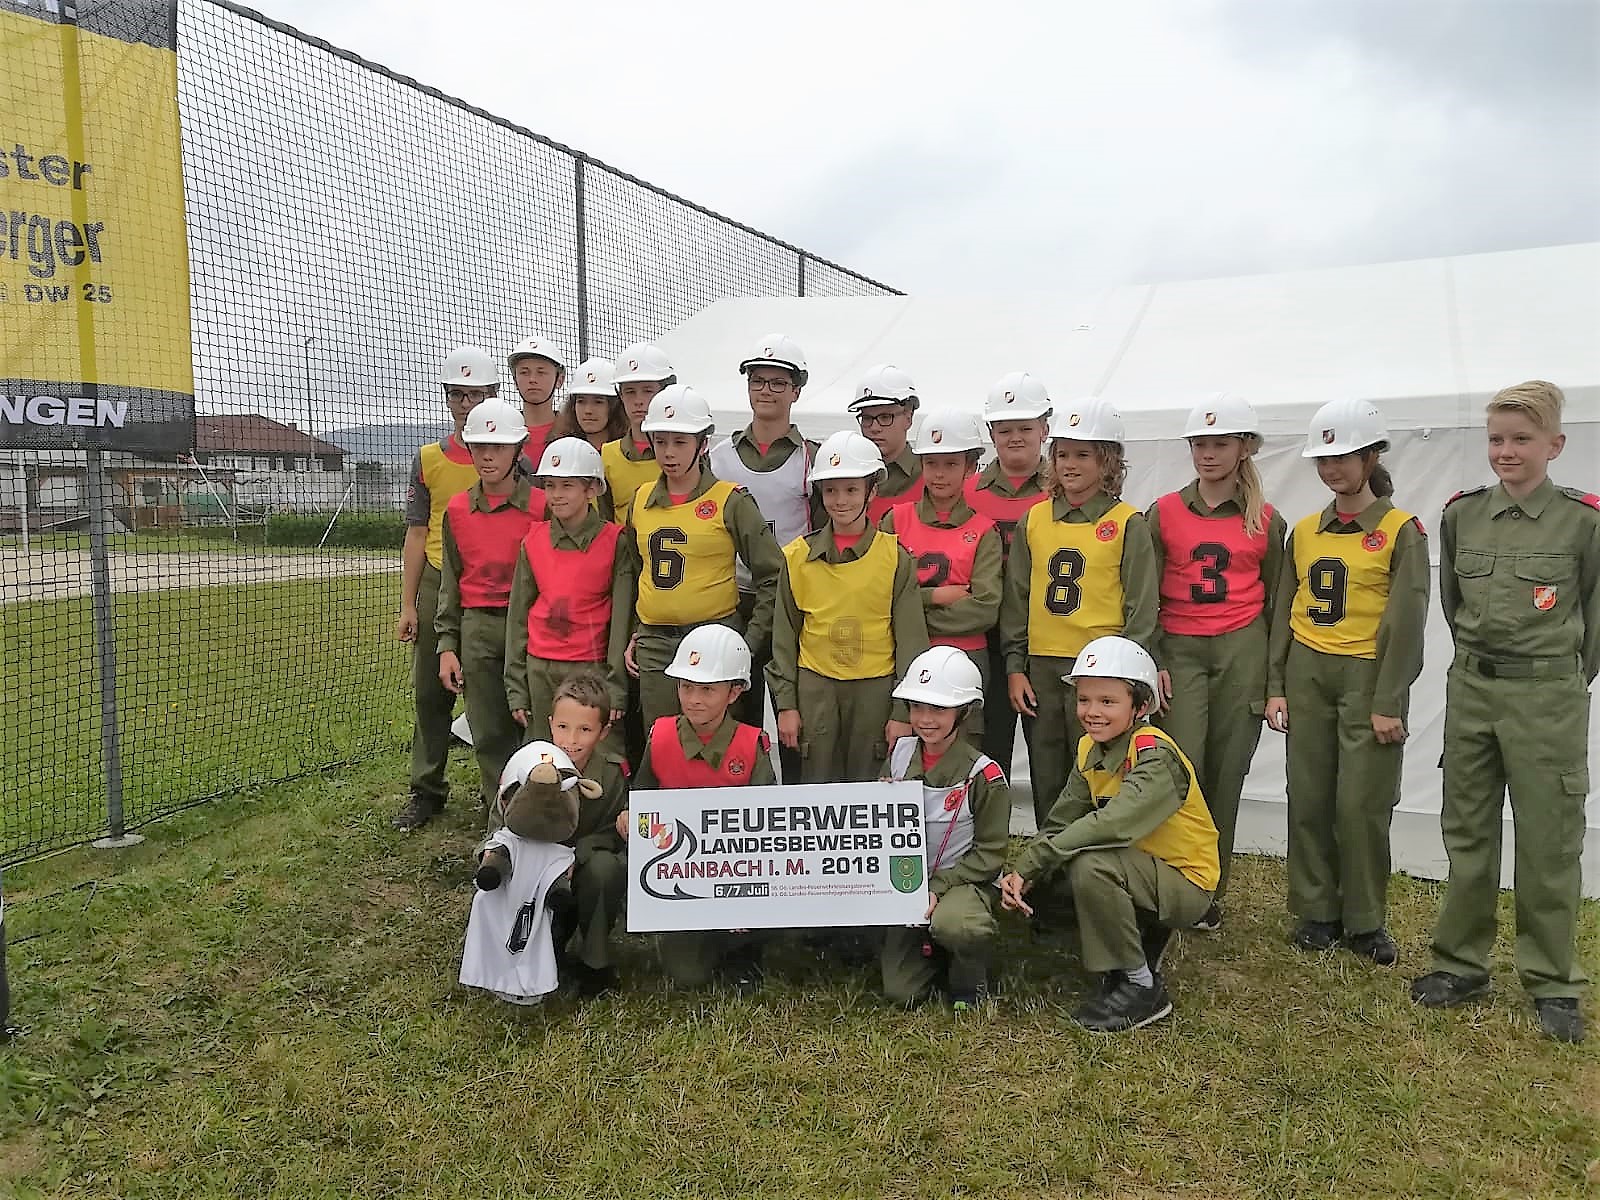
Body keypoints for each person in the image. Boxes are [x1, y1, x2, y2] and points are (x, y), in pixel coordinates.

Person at [1411, 380, 1600, 1044]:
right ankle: (1460, 963)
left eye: (1522, 439)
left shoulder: (1584, 521)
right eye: (1497, 439)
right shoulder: (1462, 515)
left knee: (1550, 841)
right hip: (1474, 691)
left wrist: (1557, 680)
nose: (1507, 451)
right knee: (1468, 833)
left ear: (1555, 444)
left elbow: (1594, 624)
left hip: (1547, 698)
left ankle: (1552, 980)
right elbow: (1454, 607)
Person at [1265, 398, 1428, 967]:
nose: (1332, 468)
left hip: (1366, 674)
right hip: (1309, 668)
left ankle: (1364, 919)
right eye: (1323, 458)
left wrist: (1389, 698)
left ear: (1370, 456)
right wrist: (1276, 684)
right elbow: (1287, 607)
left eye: (1343, 456)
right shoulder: (1306, 531)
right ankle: (1317, 910)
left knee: (1361, 803)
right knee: (1308, 795)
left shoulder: (1400, 529)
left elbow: (1407, 621)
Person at [1000, 637, 1219, 1033]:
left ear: (1139, 707)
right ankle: (1133, 937)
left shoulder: (1154, 756)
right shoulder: (1090, 748)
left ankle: (1142, 987)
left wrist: (1038, 859)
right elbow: (1061, 821)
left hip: (1187, 883)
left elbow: (1109, 824)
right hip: (1140, 866)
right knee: (1057, 870)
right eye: (1084, 700)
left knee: (1090, 864)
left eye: (1107, 702)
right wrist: (1025, 871)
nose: (1092, 712)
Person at [1147, 394, 1286, 931]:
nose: (1208, 453)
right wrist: (1152, 657)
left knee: (1227, 773)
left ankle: (1209, 890)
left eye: (1220, 443)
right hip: (1180, 647)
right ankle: (1169, 879)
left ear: (1244, 448)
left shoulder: (1266, 520)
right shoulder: (1162, 512)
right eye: (1199, 444)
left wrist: (1275, 682)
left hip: (1240, 648)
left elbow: (1277, 605)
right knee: (1181, 771)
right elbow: (1145, 594)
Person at [1000, 396, 1158, 826]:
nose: (1070, 464)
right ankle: (1046, 875)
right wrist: (1016, 665)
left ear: (1107, 461)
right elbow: (1017, 600)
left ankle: (1091, 871)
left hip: (1099, 670)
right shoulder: (1034, 519)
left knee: (1098, 774)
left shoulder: (1128, 522)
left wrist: (1124, 674)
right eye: (1063, 453)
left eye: (1083, 455)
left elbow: (1141, 609)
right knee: (1047, 773)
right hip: (1043, 666)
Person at [769, 431, 930, 783]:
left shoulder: (895, 557)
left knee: (871, 784)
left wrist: (903, 711)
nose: (840, 500)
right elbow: (783, 639)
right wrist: (787, 706)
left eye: (852, 489)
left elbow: (911, 642)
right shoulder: (797, 557)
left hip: (875, 690)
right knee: (815, 784)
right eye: (831, 490)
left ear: (872, 491)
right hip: (816, 689)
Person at [623, 624, 777, 989]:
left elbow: (770, 820)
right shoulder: (659, 736)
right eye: (686, 687)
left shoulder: (751, 744)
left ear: (735, 691)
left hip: (738, 871)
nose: (693, 699)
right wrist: (631, 817)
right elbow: (643, 794)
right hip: (680, 872)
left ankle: (745, 946)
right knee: (688, 976)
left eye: (707, 689)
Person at [624, 385, 782, 731]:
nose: (669, 452)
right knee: (662, 741)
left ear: (702, 443)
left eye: (680, 442)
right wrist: (638, 631)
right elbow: (637, 572)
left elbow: (773, 576)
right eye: (661, 441)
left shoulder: (730, 501)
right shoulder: (640, 500)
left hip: (715, 639)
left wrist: (748, 642)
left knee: (718, 748)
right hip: (656, 646)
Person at [393, 345, 498, 832]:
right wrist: (408, 603)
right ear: (447, 398)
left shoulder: (506, 452)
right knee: (430, 693)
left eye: (476, 393)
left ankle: (496, 792)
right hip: (439, 577)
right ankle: (426, 788)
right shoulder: (429, 458)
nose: (467, 403)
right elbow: (416, 531)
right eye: (458, 394)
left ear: (494, 395)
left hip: (492, 580)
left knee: (491, 695)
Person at [709, 334, 818, 783]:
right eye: (758, 380)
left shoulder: (811, 456)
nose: (767, 391)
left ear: (797, 390)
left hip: (792, 598)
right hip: (733, 598)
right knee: (739, 708)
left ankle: (793, 802)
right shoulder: (717, 456)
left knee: (794, 712)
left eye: (779, 382)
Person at [879, 646, 1011, 1010]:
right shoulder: (900, 753)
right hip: (908, 879)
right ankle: (931, 949)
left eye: (938, 708)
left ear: (964, 712)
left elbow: (991, 854)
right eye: (917, 707)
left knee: (958, 926)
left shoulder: (984, 775)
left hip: (960, 881)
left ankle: (971, 975)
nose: (925, 719)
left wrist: (938, 888)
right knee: (900, 992)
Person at [435, 398, 547, 815]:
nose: (486, 457)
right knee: (487, 730)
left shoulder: (541, 506)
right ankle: (499, 816)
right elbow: (450, 582)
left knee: (535, 724)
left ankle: (541, 814)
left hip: (532, 627)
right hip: (477, 628)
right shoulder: (459, 510)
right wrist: (448, 645)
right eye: (479, 447)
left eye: (497, 448)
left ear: (518, 451)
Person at [505, 437, 635, 747]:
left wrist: (615, 686)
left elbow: (621, 621)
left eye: (567, 486)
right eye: (550, 485)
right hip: (539, 670)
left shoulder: (615, 540)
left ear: (591, 489)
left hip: (589, 668)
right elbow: (518, 616)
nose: (556, 495)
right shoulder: (533, 540)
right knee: (541, 754)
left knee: (596, 752)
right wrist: (516, 686)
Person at [881, 406, 1002, 738]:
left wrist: (909, 610)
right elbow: (878, 596)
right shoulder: (895, 520)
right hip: (904, 655)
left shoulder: (983, 531)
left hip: (967, 658)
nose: (939, 473)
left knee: (961, 752)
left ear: (970, 467)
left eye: (951, 464)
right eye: (931, 463)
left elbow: (984, 610)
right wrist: (937, 596)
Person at [966, 372, 1054, 774]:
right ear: (991, 433)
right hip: (984, 632)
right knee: (989, 741)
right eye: (1004, 429)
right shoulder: (968, 491)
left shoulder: (1065, 488)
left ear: (1045, 428)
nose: (1014, 437)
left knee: (1050, 748)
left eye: (1025, 427)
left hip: (1043, 631)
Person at [546, 672, 631, 996]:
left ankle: (595, 964)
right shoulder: (529, 766)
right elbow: (503, 824)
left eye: (585, 729)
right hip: (535, 873)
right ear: (551, 723)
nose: (571, 740)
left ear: (603, 731)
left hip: (581, 872)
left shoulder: (611, 773)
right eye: (563, 727)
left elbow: (611, 832)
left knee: (607, 868)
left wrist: (574, 856)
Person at [602, 342, 672, 525]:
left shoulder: (687, 452)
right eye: (630, 392)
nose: (638, 401)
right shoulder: (607, 456)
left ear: (664, 391)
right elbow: (603, 523)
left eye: (648, 391)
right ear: (621, 396)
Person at [846, 364, 923, 524]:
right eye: (867, 418)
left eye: (885, 417)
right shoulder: (846, 473)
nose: (874, 428)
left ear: (908, 418)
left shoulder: (932, 476)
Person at [507, 333, 565, 471]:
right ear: (515, 381)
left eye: (541, 372)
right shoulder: (503, 434)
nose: (532, 379)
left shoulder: (574, 432)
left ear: (559, 380)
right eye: (524, 372)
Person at [550, 358, 627, 453]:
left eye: (598, 402)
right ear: (573, 406)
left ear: (614, 406)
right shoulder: (562, 450)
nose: (588, 410)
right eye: (581, 401)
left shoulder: (628, 452)